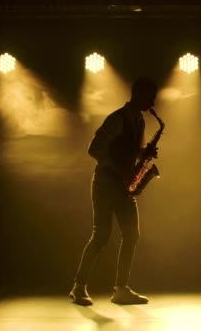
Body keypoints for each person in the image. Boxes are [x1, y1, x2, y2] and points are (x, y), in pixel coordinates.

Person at [69, 77, 159, 306]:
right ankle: (78, 288)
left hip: (123, 184)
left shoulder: (139, 121)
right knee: (101, 235)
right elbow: (94, 149)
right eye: (150, 97)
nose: (153, 102)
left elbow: (131, 151)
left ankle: (121, 289)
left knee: (131, 235)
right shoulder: (116, 119)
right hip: (106, 183)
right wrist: (118, 170)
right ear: (138, 94)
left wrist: (144, 153)